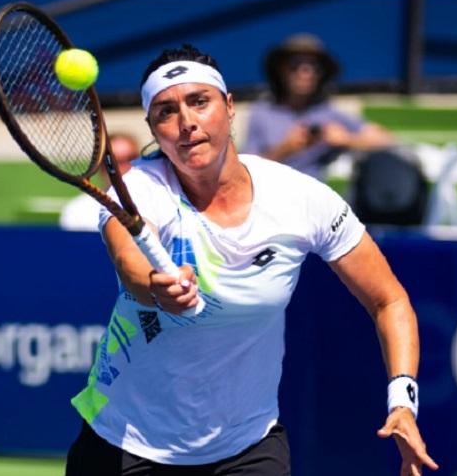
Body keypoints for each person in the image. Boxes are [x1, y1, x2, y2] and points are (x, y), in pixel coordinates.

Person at [66, 44, 437, 476]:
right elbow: (130, 266)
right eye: (166, 111)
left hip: (246, 447)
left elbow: (388, 300)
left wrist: (403, 403)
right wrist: (156, 288)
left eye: (199, 102)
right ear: (153, 127)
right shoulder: (137, 190)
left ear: (229, 107)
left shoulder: (301, 198)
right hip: (125, 443)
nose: (186, 122)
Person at [243, 33, 393, 181]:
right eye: (295, 65)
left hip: (315, 195)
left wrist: (346, 139)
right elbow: (244, 169)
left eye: (314, 66)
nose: (305, 73)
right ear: (281, 70)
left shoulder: (327, 112)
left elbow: (386, 140)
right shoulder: (261, 113)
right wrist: (285, 149)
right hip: (271, 193)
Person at [59, 133, 140, 231]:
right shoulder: (78, 211)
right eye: (112, 160)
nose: (121, 167)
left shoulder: (157, 204)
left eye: (130, 158)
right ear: (100, 165)